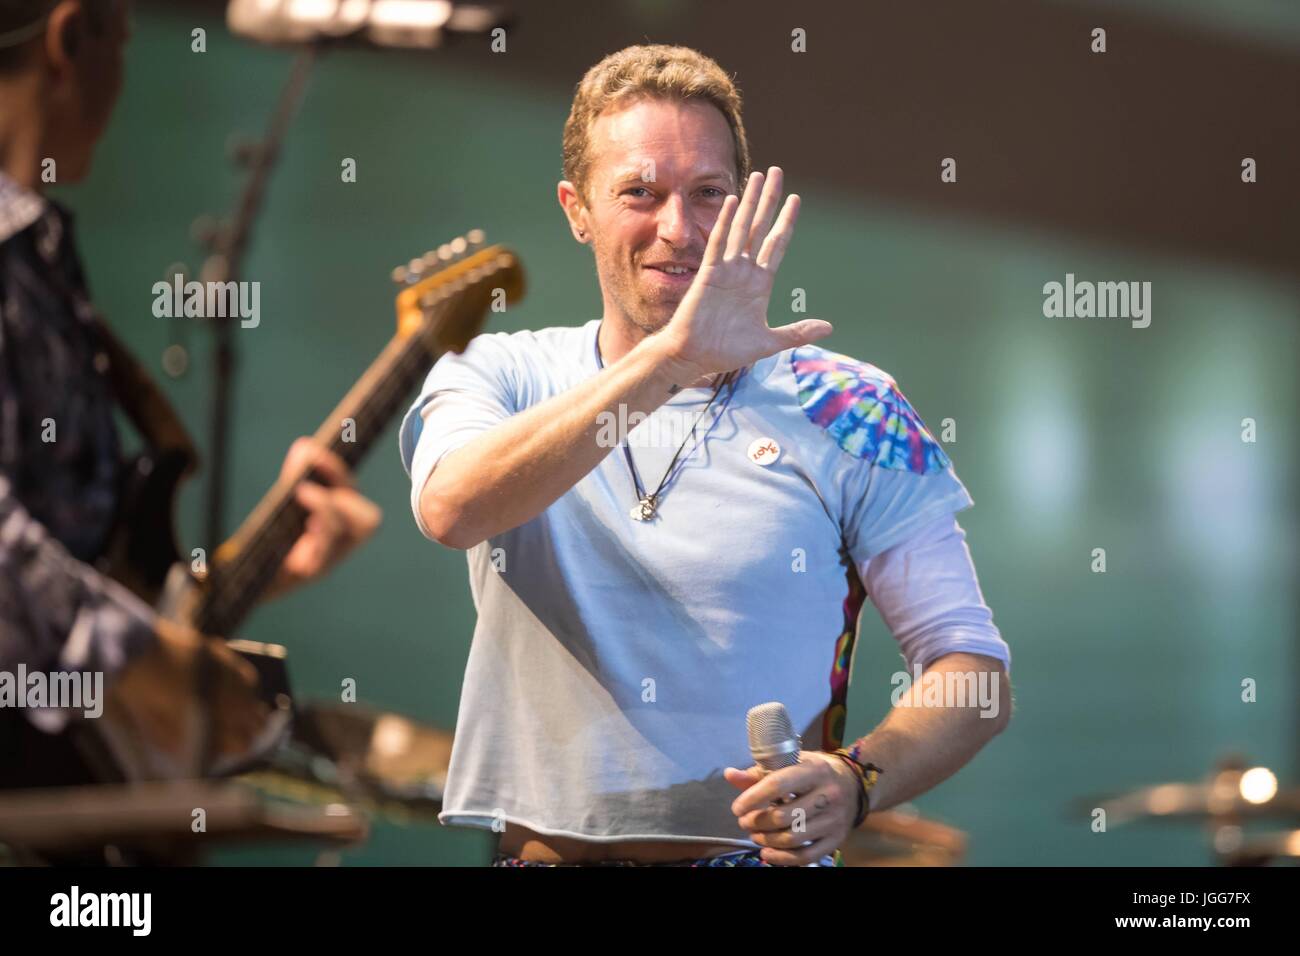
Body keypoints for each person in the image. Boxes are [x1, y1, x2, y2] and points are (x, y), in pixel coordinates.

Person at [399, 44, 1012, 867]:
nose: (678, 228)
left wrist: (859, 777)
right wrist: (674, 360)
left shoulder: (848, 406)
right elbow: (452, 508)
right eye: (639, 194)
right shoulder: (500, 372)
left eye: (709, 194)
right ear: (576, 209)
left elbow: (972, 673)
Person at [0, 0, 381, 788]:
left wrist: (260, 568)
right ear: (72, 39)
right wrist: (148, 656)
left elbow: (68, 559)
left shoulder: (38, 258)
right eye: (125, 43)